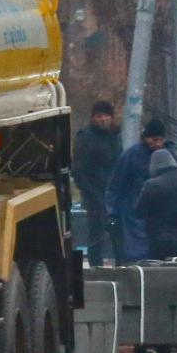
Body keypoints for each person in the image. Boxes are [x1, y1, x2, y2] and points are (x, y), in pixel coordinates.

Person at [105, 117, 170, 263]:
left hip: (154, 214)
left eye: (160, 139)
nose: (157, 143)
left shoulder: (164, 154)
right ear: (146, 137)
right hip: (132, 214)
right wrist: (112, 213)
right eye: (154, 139)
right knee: (135, 255)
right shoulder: (131, 155)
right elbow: (115, 186)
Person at [71, 99, 123, 264]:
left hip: (113, 192)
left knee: (117, 230)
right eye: (99, 116)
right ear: (93, 118)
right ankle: (96, 266)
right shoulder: (86, 137)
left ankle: (121, 263)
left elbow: (119, 163)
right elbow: (78, 169)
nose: (103, 119)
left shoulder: (115, 136)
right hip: (94, 193)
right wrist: (91, 193)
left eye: (106, 116)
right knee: (96, 232)